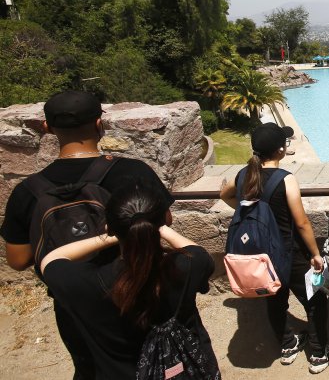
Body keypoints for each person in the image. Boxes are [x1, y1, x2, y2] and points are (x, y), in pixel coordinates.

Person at [1, 90, 173, 379]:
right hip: (136, 288)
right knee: (153, 360)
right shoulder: (133, 172)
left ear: (47, 128)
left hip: (74, 301)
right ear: (99, 124)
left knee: (90, 367)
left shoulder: (27, 191)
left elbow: (18, 260)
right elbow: (163, 221)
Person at [38, 180, 219, 379]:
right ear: (163, 221)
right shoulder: (187, 267)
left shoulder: (86, 284)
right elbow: (199, 253)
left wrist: (113, 234)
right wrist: (157, 227)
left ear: (109, 227)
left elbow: (50, 260)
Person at [220, 123, 329, 373]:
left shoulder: (243, 174)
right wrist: (315, 254)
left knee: (275, 300)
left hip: (261, 256)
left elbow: (225, 195)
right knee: (314, 301)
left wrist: (250, 213)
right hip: (290, 254)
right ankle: (319, 354)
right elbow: (301, 223)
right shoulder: (285, 179)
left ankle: (288, 344)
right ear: (280, 150)